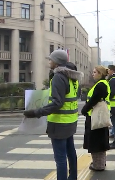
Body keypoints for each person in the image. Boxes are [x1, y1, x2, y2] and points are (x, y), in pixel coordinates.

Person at [23, 50, 83, 180]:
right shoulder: (72, 77)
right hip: (71, 121)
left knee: (60, 158)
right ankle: (73, 177)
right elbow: (70, 97)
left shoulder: (58, 77)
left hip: (59, 123)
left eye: (50, 59)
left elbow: (57, 103)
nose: (49, 61)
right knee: (71, 152)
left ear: (56, 62)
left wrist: (35, 112)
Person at [81, 66, 110, 171]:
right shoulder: (102, 84)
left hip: (95, 117)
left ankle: (98, 164)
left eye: (94, 72)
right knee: (99, 140)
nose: (93, 74)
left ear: (100, 73)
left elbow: (94, 100)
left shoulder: (100, 85)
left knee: (96, 141)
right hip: (98, 116)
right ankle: (100, 162)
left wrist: (85, 109)